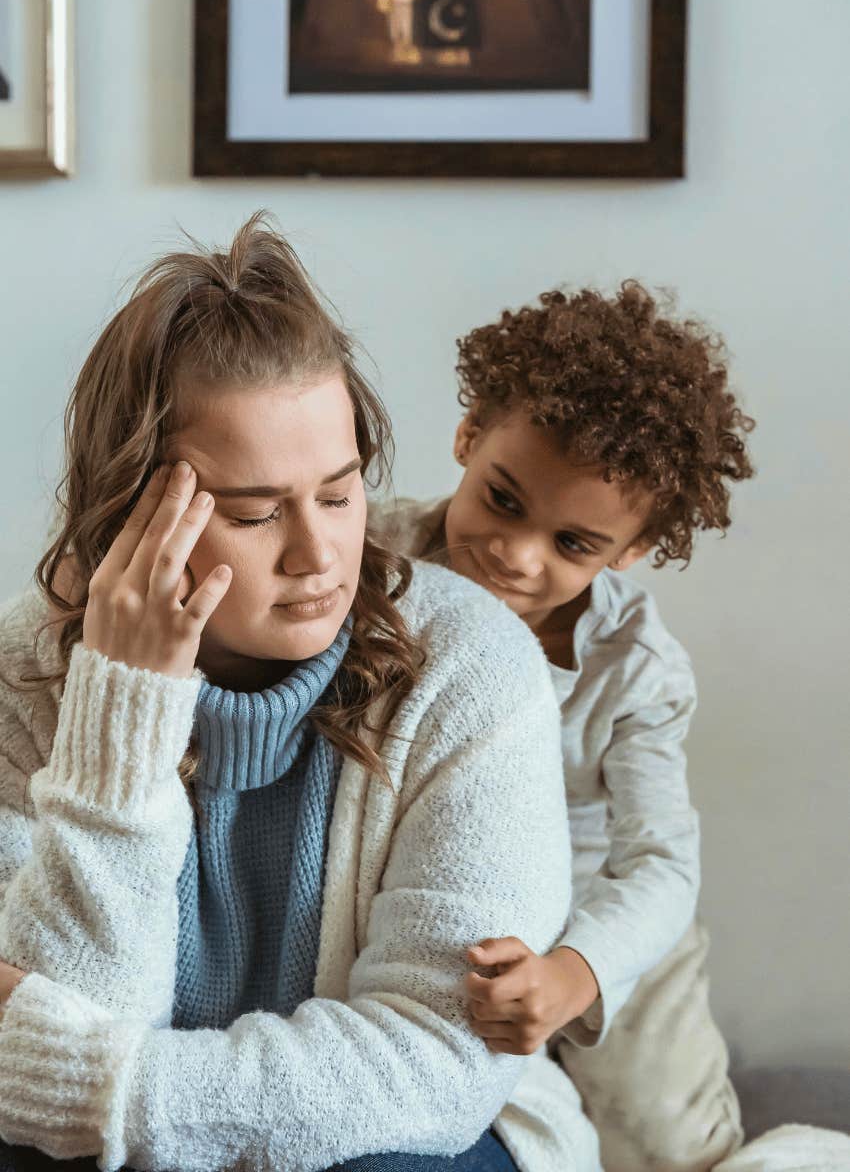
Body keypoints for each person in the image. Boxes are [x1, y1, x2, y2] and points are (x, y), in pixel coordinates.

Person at [0, 216, 601, 1172]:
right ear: (127, 513)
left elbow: (436, 1061)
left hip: (411, 1143)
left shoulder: (471, 666)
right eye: (253, 512)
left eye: (339, 490)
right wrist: (124, 705)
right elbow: (54, 1037)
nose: (320, 557)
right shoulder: (26, 674)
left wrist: (101, 1089)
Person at [372, 283, 755, 1171]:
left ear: (630, 551)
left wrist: (576, 971)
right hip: (440, 906)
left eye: (572, 545)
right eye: (502, 501)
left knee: (666, 1144)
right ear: (468, 438)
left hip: (597, 919)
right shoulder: (369, 562)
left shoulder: (636, 668)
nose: (517, 554)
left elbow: (660, 863)